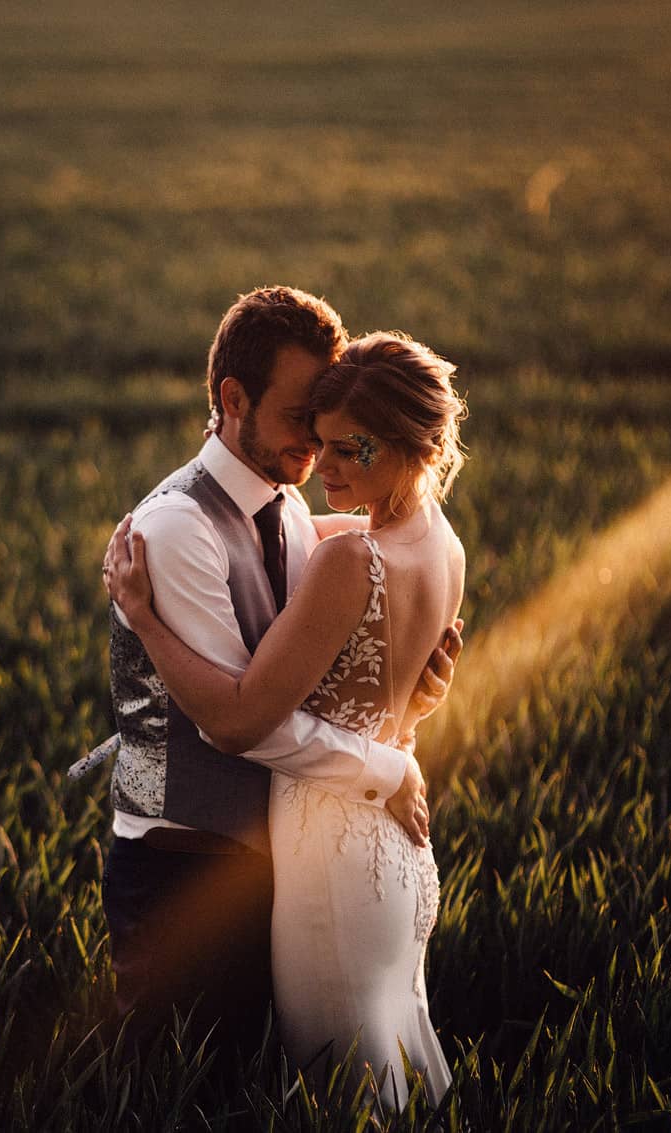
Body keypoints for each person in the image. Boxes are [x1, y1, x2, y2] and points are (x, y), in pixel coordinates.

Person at [76, 286, 459, 1064]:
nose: (317, 452)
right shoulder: (178, 528)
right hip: (183, 871)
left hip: (277, 863)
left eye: (330, 432)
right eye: (299, 421)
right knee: (180, 1094)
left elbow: (348, 640)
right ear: (232, 397)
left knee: (294, 1079)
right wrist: (386, 763)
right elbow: (241, 719)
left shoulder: (287, 505)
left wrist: (413, 688)